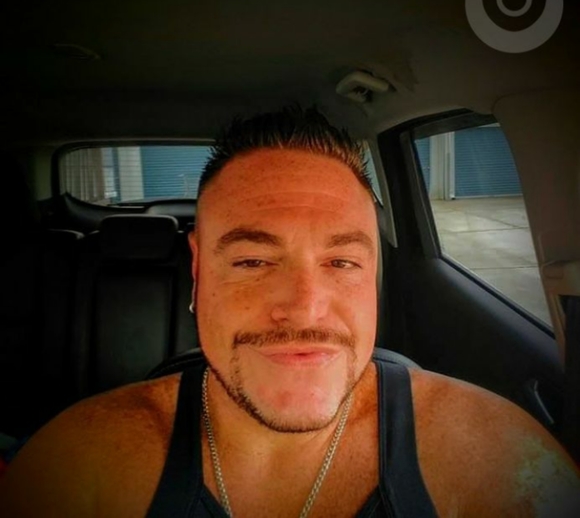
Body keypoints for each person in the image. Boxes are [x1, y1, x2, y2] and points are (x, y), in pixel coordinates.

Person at [1, 106, 579, 517]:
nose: (305, 307)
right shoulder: (77, 470)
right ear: (198, 270)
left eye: (342, 262)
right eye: (253, 261)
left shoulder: (498, 463)